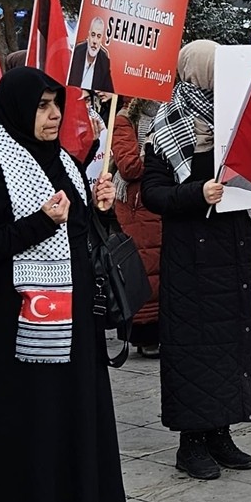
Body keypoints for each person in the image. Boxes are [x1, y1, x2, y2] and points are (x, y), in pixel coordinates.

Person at [0, 67, 128, 502]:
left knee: (74, 409)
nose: (53, 115)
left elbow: (81, 232)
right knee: (35, 417)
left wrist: (100, 206)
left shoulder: (65, 161)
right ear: (18, 109)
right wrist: (39, 223)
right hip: (21, 319)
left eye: (57, 105)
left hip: (75, 313)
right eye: (43, 106)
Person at [141, 40, 251, 480]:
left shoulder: (232, 117)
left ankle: (221, 431)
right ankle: (189, 442)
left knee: (231, 343)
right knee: (195, 348)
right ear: (198, 74)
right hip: (192, 255)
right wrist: (197, 193)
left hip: (232, 247)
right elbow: (151, 193)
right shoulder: (167, 124)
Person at [110, 97, 162, 356]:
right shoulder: (124, 119)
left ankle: (159, 331)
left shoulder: (166, 113)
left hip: (157, 198)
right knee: (145, 265)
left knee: (159, 263)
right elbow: (128, 167)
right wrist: (156, 155)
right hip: (136, 203)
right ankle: (145, 334)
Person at [68, 17, 114, 93]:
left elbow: (109, 91)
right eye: (93, 35)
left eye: (98, 36)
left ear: (101, 39)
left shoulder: (104, 61)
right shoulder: (76, 53)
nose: (95, 41)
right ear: (88, 35)